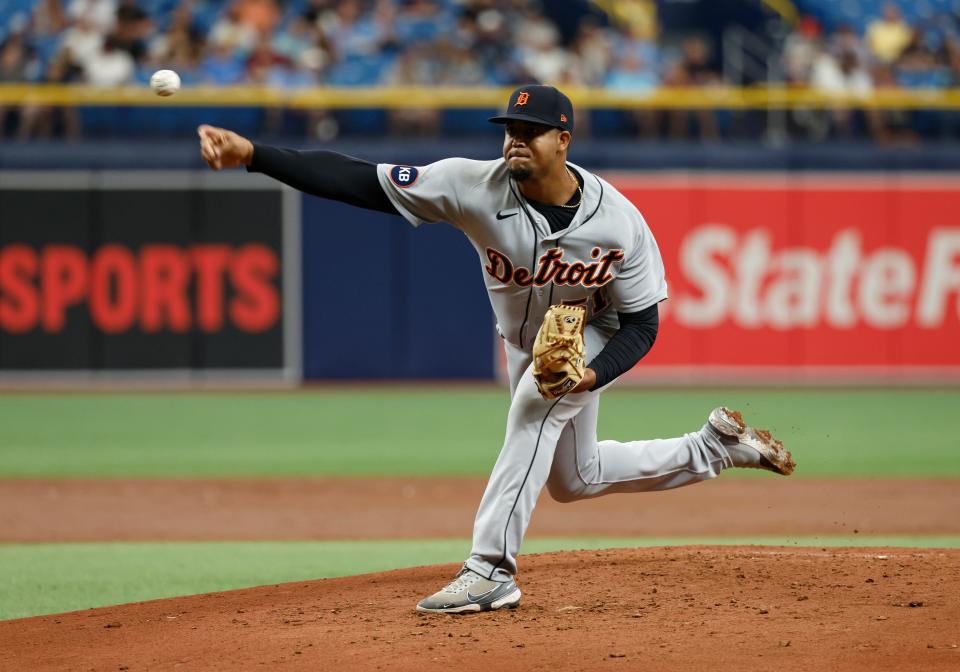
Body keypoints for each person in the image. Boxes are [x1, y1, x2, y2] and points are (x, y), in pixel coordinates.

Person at [197, 85, 796, 614]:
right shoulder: (471, 186)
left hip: (596, 334)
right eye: (511, 129)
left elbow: (642, 325)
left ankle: (490, 570)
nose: (516, 141)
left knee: (536, 403)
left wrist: (589, 374)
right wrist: (255, 156)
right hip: (527, 342)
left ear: (563, 140)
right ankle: (713, 448)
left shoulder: (620, 223)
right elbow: (359, 179)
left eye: (531, 132)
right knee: (574, 478)